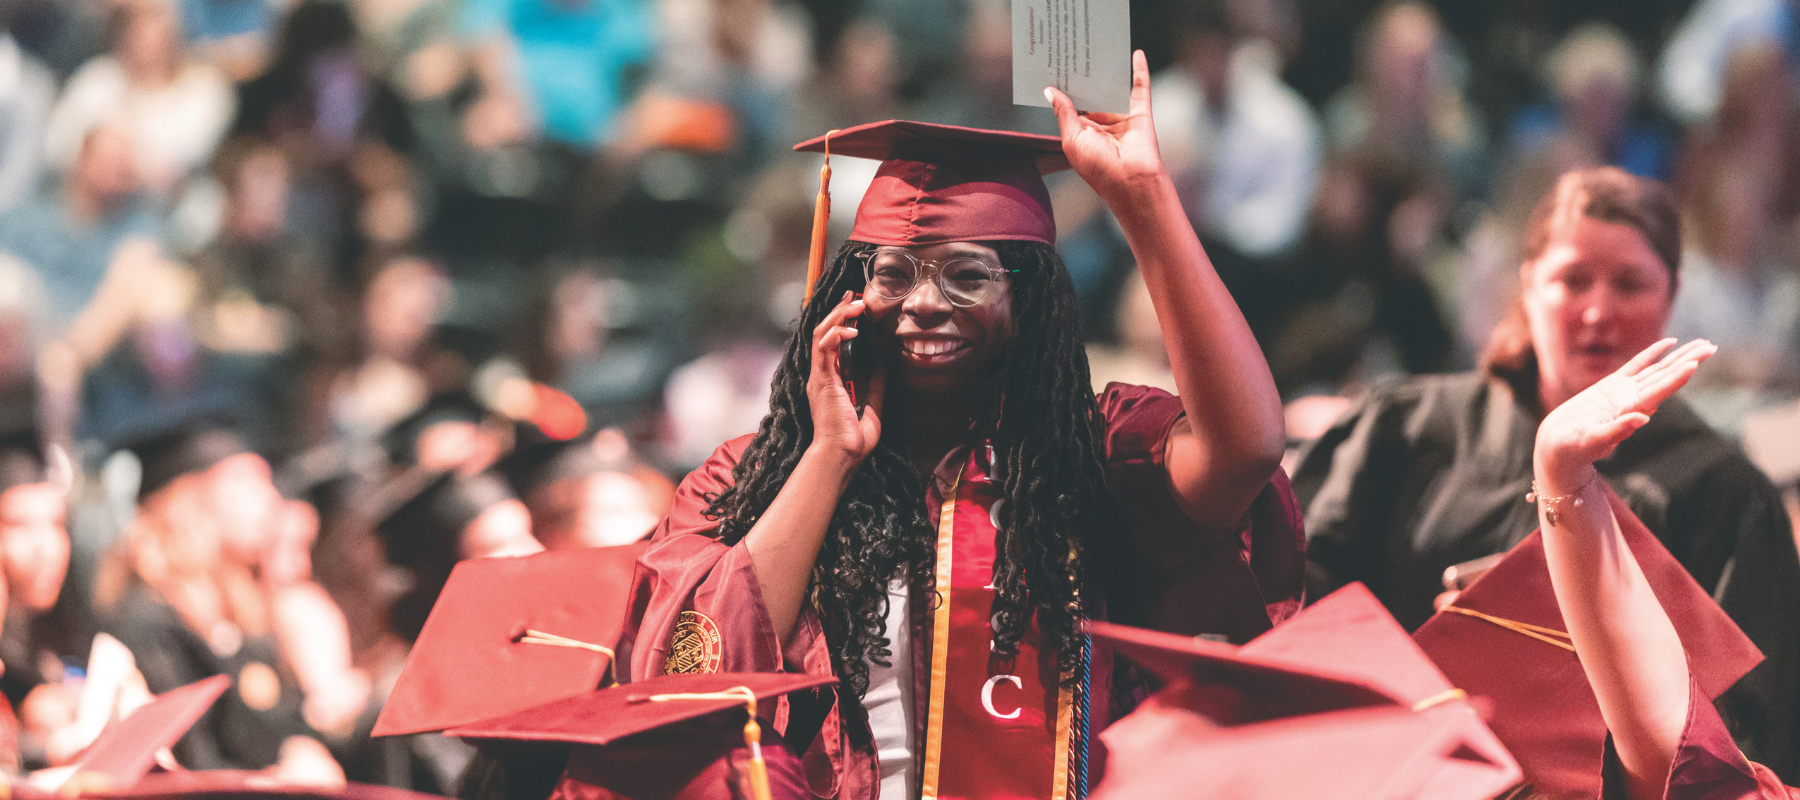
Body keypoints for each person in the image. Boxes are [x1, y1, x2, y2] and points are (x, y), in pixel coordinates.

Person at [614, 52, 1299, 800]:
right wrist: (828, 459)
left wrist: (1142, 200)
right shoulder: (748, 479)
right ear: (850, 292)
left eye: (968, 274)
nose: (924, 302)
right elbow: (690, 680)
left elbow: (1246, 449)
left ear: (1028, 301)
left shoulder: (1085, 459)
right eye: (894, 273)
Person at [1290, 166, 1800, 780]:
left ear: (1673, 293)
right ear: (1528, 286)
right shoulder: (1405, 428)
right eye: (1573, 280)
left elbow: (1744, 743)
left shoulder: (1721, 494)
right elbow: (1298, 610)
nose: (1598, 311)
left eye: (1630, 283)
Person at [1530, 336, 1800, 800]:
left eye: (1630, 283)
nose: (1597, 312)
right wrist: (1563, 475)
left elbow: (1679, 758)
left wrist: (1565, 479)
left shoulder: (1726, 486)